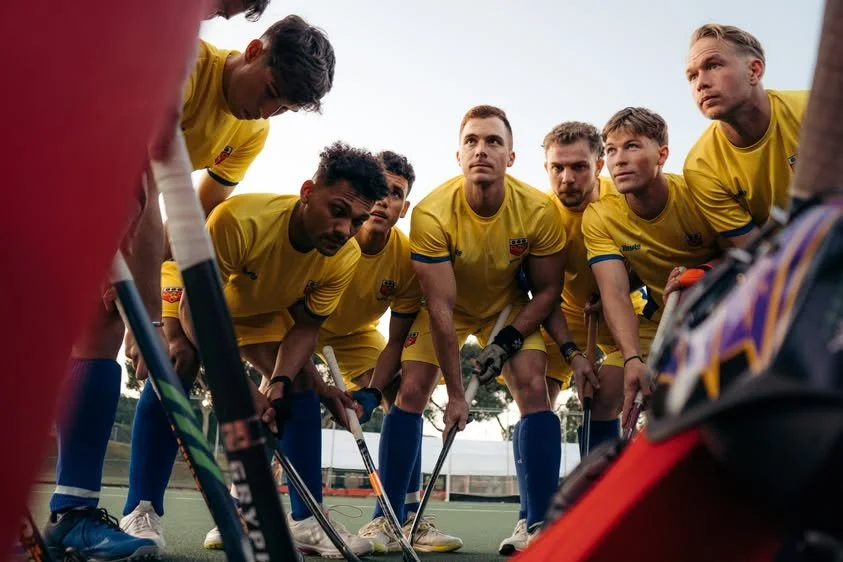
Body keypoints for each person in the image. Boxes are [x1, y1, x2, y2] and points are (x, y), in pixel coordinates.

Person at [119, 14, 337, 549]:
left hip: (173, 242)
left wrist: (156, 288)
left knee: (185, 352)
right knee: (175, 354)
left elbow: (193, 221)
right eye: (269, 92)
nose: (266, 112)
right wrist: (149, 312)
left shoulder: (252, 130)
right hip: (109, 182)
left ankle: (297, 517)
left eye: (281, 108)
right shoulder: (186, 68)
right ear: (254, 47)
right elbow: (138, 180)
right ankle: (139, 508)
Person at [370, 105, 567, 550]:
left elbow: (549, 291)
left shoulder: (538, 210)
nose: (482, 150)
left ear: (511, 156)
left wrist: (508, 341)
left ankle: (536, 525)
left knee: (535, 389)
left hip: (509, 308)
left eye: (493, 141)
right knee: (413, 389)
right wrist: (456, 394)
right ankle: (389, 518)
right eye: (472, 141)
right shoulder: (432, 213)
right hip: (450, 310)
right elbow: (440, 309)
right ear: (457, 155)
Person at [175, 142, 384, 558]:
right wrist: (236, 386)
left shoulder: (345, 255)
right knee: (179, 360)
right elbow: (194, 310)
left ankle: (305, 521)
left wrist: (278, 383)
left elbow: (305, 328)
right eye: (338, 211)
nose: (345, 230)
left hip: (264, 309)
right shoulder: (239, 219)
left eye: (356, 220)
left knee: (299, 383)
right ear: (308, 191)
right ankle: (147, 511)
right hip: (197, 298)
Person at [498, 121, 643, 555]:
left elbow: (651, 258)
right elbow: (538, 295)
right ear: (545, 167)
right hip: (556, 318)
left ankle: (593, 512)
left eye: (579, 167)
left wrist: (628, 286)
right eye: (557, 168)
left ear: (599, 165)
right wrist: (574, 354)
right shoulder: (537, 213)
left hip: (617, 317)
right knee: (534, 395)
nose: (567, 179)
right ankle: (533, 520)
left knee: (607, 397)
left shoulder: (624, 201)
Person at [582, 107, 721, 427]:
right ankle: (602, 476)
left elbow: (744, 254)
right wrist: (632, 358)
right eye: (612, 150)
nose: (619, 159)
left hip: (716, 312)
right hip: (659, 320)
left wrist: (703, 273)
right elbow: (614, 292)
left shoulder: (697, 193)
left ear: (662, 154)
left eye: (632, 146)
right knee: (607, 391)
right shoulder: (600, 215)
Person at [683, 23, 809, 247]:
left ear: (754, 71)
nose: (700, 83)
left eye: (712, 65)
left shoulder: (813, 110)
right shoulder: (700, 168)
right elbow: (759, 253)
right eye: (692, 76)